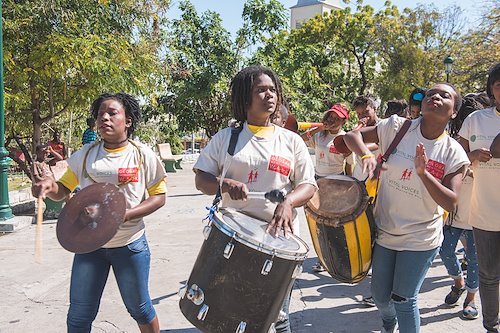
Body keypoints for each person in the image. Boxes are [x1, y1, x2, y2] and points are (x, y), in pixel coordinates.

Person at [193, 65, 317, 333]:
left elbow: (308, 185)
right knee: (228, 310)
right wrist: (223, 184)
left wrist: (288, 202)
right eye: (261, 90)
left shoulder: (291, 141)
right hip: (233, 239)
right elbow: (201, 179)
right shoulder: (227, 138)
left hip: (279, 242)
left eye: (272, 90)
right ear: (244, 97)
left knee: (277, 315)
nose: (269, 95)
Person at [31, 93, 167, 333]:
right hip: (89, 248)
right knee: (78, 317)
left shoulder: (142, 154)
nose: (104, 117)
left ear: (128, 121)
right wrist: (47, 185)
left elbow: (159, 197)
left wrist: (125, 215)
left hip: (130, 245)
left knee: (140, 309)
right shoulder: (85, 155)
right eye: (100, 114)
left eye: (112, 112)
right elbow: (62, 190)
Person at [344, 83, 469, 333]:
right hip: (385, 231)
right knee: (380, 298)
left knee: (404, 298)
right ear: (422, 104)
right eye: (431, 93)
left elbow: (450, 202)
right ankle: (387, 322)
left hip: (421, 237)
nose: (435, 97)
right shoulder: (396, 128)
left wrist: (424, 174)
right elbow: (351, 136)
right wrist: (367, 156)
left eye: (444, 96)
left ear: (453, 112)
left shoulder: (453, 152)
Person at [439, 93, 490, 320]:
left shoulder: (490, 140)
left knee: (475, 260)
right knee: (446, 250)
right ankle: (457, 283)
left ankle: (470, 299)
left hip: (479, 215)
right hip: (455, 214)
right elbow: (448, 166)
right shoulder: (452, 144)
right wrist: (472, 156)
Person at [458, 62, 500, 333]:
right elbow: (457, 159)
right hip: (484, 212)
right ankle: (491, 325)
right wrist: (471, 157)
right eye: (499, 85)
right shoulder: (475, 120)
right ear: (492, 90)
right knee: (488, 275)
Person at [300, 103, 353, 273]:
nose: (332, 120)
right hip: (318, 182)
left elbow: (350, 165)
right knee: (319, 223)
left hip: (336, 183)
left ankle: (337, 259)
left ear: (343, 121)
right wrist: (319, 128)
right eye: (330, 116)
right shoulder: (320, 136)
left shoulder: (345, 139)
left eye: (337, 119)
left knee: (333, 224)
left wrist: (348, 186)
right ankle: (323, 259)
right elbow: (301, 139)